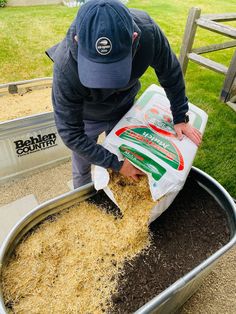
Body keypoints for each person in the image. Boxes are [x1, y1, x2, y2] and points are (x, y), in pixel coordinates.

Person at [46, 0, 202, 189]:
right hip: (88, 117)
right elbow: (70, 133)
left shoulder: (149, 33)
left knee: (129, 160)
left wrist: (180, 116)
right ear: (78, 41)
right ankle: (82, 197)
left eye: (113, 69)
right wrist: (115, 163)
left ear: (134, 38)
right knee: (81, 168)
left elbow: (171, 72)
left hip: (125, 109)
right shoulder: (66, 67)